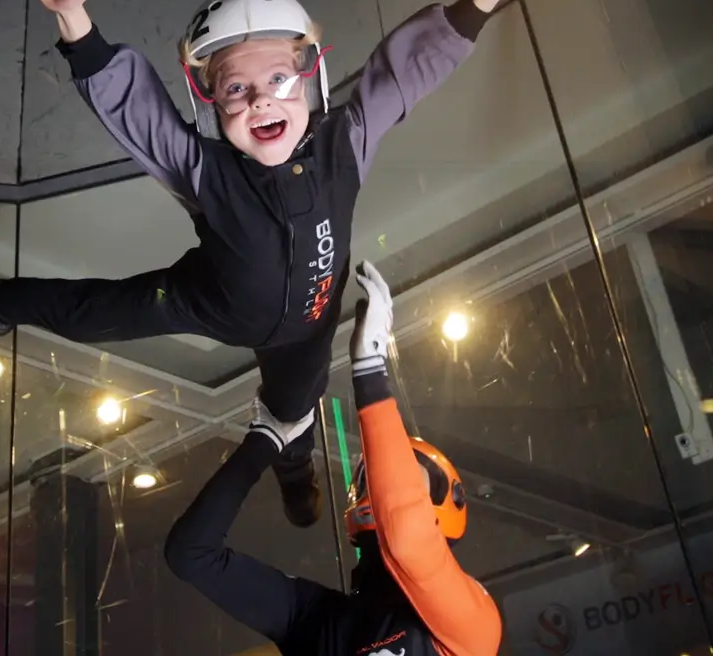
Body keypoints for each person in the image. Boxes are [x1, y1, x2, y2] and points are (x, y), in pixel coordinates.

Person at [0, 0, 536, 529]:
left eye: (279, 79)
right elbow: (138, 111)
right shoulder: (206, 171)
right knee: (86, 311)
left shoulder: (345, 142)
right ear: (211, 100)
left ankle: (296, 478)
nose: (261, 99)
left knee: (295, 410)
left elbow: (404, 73)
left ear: (310, 77)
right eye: (236, 89)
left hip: (306, 328)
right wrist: (74, 19)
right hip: (204, 302)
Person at [162, 260, 501, 656]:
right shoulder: (318, 618)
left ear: (447, 503)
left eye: (407, 478)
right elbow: (191, 553)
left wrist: (370, 368)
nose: (385, 487)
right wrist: (266, 440)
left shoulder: (475, 626)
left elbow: (408, 540)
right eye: (374, 479)